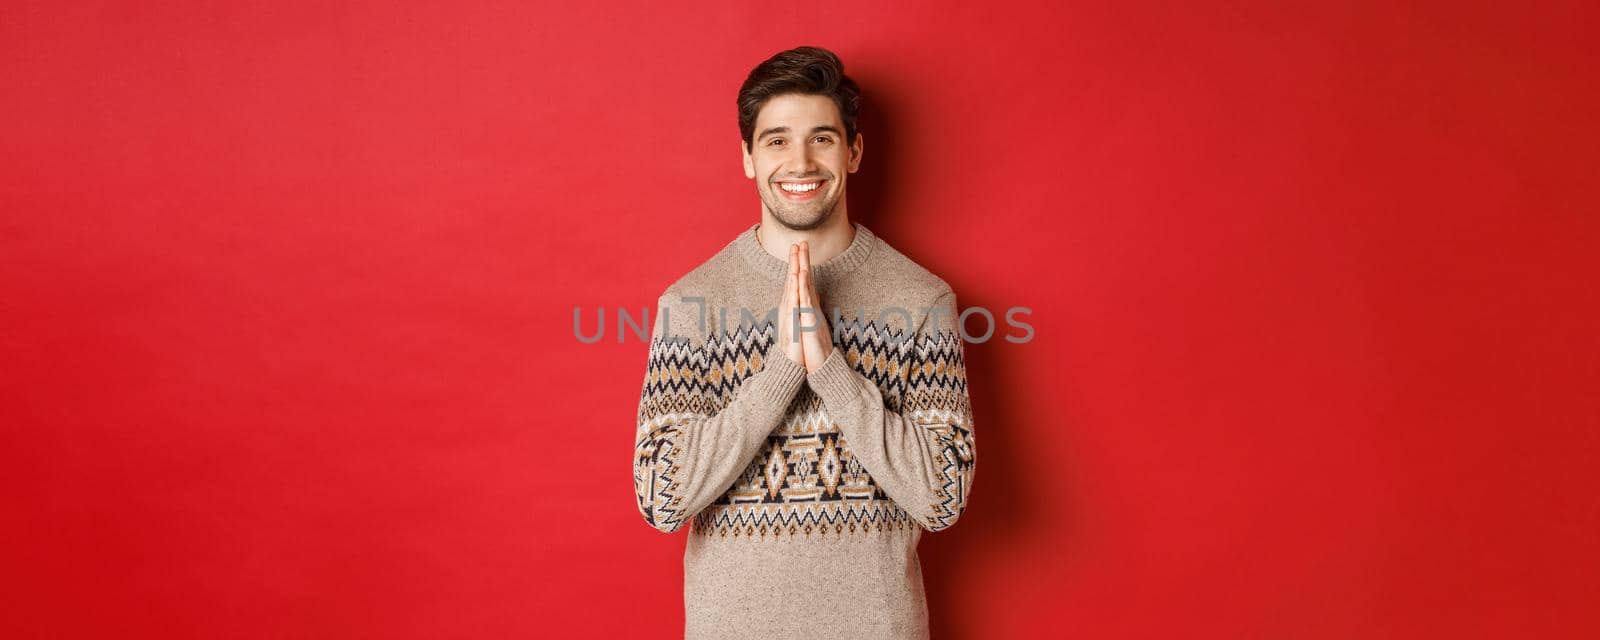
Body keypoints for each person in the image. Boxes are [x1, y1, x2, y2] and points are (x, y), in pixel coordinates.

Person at [631, 45, 976, 639]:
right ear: (747, 158)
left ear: (854, 150)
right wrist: (781, 372)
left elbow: (942, 498)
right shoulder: (690, 304)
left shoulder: (923, 302)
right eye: (776, 140)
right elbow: (663, 498)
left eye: (821, 137)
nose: (800, 161)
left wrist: (831, 369)